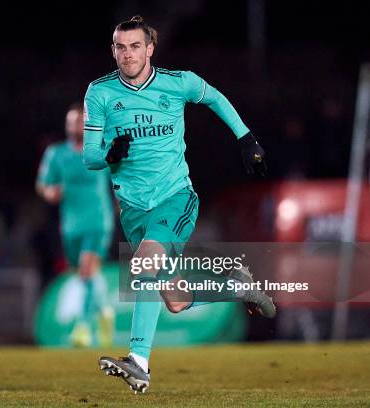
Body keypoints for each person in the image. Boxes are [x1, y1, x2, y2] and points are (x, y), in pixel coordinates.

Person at [83, 16, 275, 393]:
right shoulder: (100, 93)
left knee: (143, 265)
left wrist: (246, 138)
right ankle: (236, 289)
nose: (127, 54)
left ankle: (139, 362)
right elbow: (90, 157)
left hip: (174, 198)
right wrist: (110, 152)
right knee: (174, 297)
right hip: (133, 209)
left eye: (135, 46)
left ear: (150, 48)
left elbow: (215, 97)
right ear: (113, 50)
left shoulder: (177, 82)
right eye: (120, 47)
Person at [36, 103, 115, 347]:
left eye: (80, 121)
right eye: (71, 122)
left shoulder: (102, 150)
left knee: (86, 269)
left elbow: (121, 176)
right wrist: (51, 193)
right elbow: (43, 184)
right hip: (70, 225)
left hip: (99, 221)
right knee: (82, 274)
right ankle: (104, 312)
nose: (75, 126)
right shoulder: (56, 153)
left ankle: (82, 328)